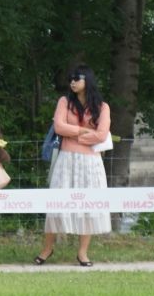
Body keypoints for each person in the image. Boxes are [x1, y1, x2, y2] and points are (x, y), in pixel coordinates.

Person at [35, 65, 111, 266]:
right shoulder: (64, 102)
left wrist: (76, 135)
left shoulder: (102, 107)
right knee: (56, 204)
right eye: (71, 79)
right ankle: (47, 248)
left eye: (77, 78)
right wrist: (84, 131)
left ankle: (82, 253)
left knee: (89, 205)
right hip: (66, 159)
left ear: (88, 80)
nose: (72, 82)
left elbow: (102, 135)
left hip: (91, 162)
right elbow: (59, 127)